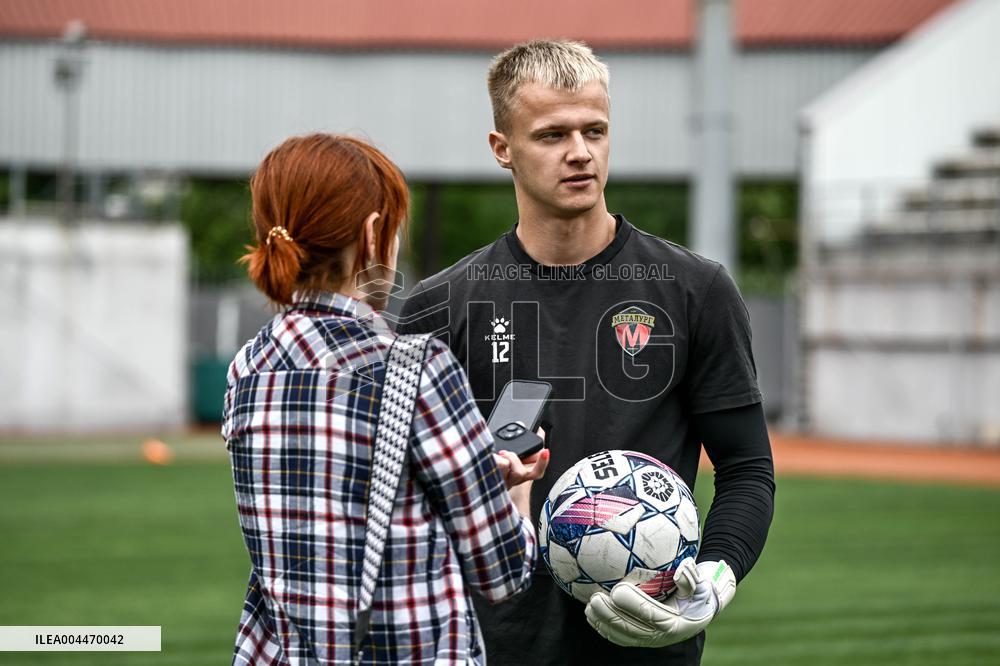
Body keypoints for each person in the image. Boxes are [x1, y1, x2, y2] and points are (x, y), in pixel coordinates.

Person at [396, 40, 775, 665]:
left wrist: (713, 584)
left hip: (648, 647)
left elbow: (746, 470)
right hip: (491, 649)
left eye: (594, 130)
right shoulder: (441, 307)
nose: (579, 152)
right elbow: (406, 499)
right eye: (551, 135)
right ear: (502, 150)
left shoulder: (696, 291)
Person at [221, 133, 548, 665]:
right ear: (375, 238)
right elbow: (504, 569)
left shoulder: (249, 369)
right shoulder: (416, 367)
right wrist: (512, 490)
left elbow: (329, 524)